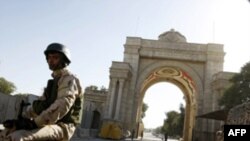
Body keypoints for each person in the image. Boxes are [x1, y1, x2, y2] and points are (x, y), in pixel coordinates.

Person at [0, 43, 83, 141]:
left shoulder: (69, 79)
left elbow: (62, 105)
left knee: (18, 137)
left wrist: (34, 123)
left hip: (63, 126)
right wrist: (21, 121)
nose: (50, 60)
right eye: (49, 57)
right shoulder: (53, 83)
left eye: (55, 57)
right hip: (48, 123)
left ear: (64, 60)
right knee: (5, 132)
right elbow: (39, 105)